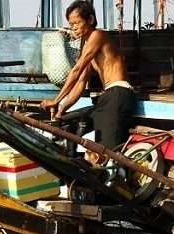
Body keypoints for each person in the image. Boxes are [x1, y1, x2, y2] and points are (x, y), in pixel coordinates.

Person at [39, 0, 137, 151]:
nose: (74, 27)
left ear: (90, 20)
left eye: (77, 22)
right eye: (71, 24)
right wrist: (60, 111)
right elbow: (80, 83)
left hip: (119, 93)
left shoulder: (98, 35)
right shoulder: (86, 46)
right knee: (67, 122)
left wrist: (56, 100)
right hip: (107, 97)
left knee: (108, 151)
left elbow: (77, 70)